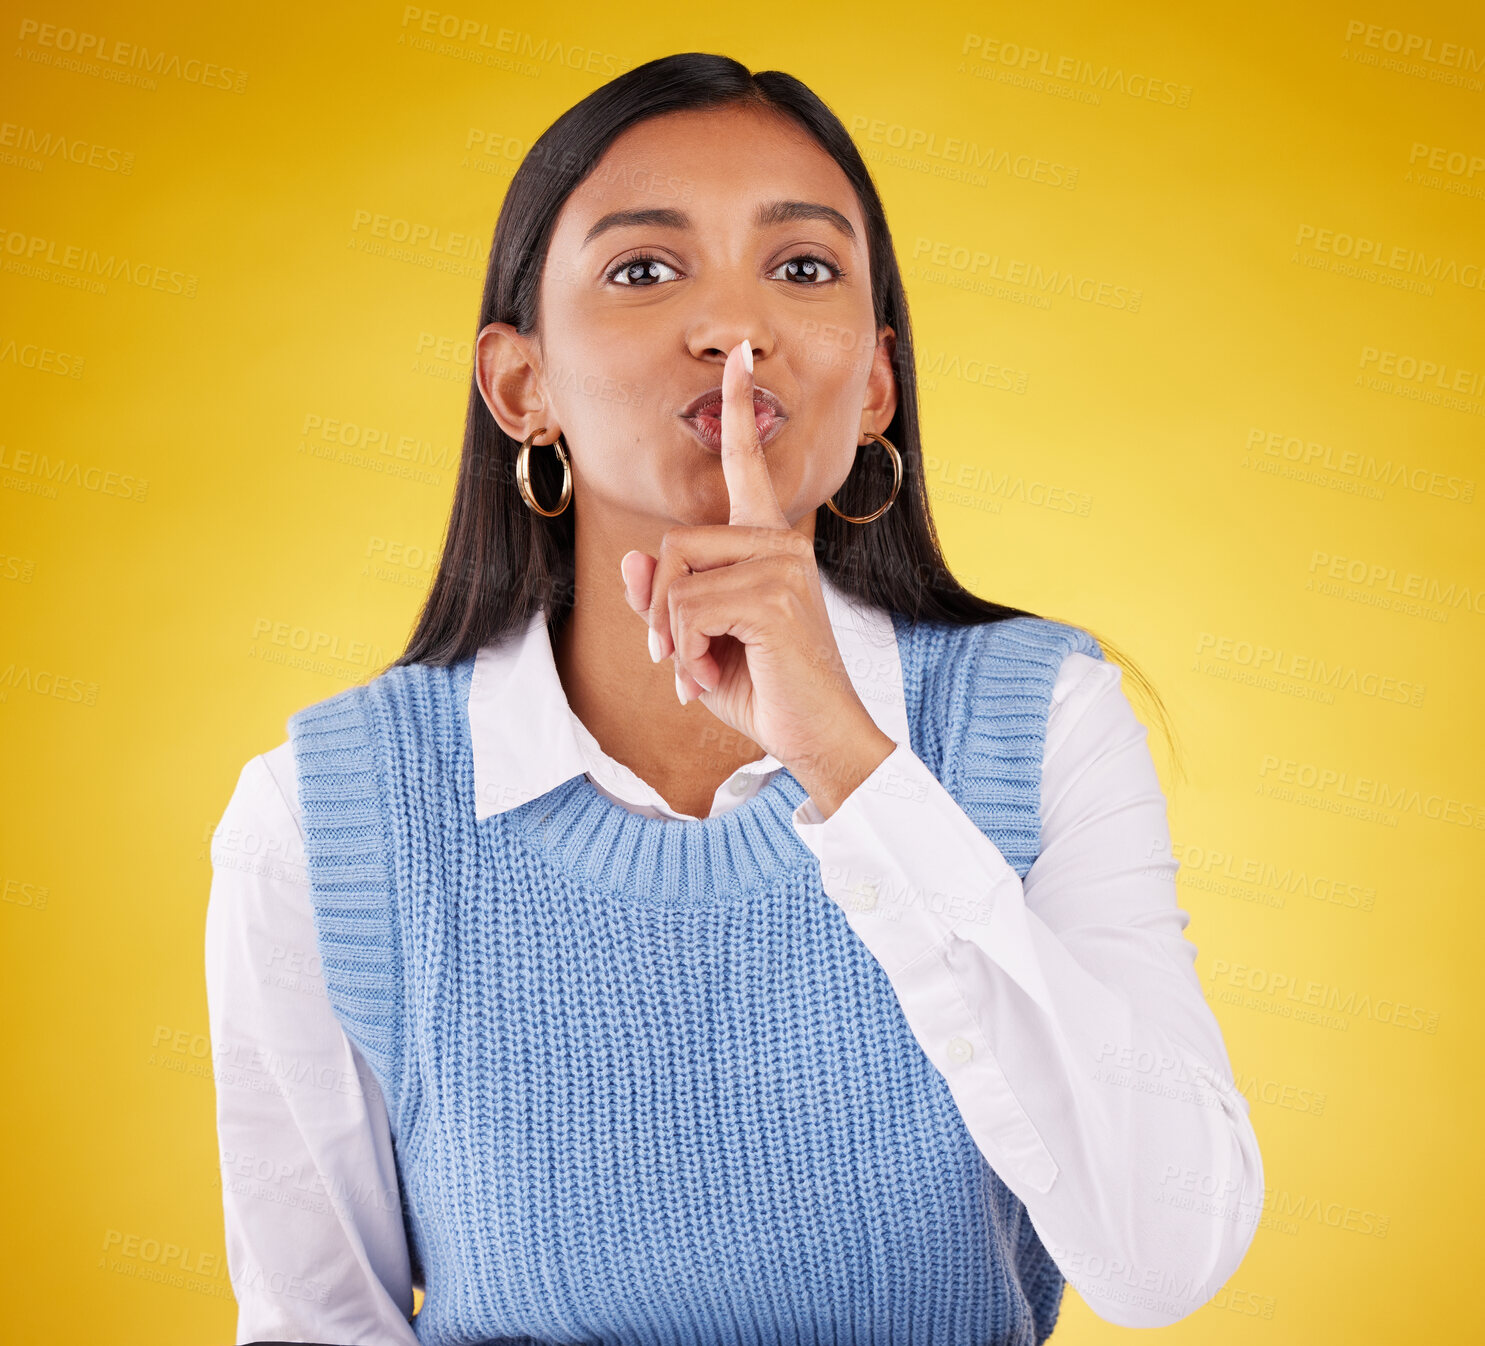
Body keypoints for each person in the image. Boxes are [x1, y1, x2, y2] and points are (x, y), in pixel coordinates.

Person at [205, 51, 1263, 1346]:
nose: (733, 329)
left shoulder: (1040, 721)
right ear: (517, 386)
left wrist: (855, 766)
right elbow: (314, 1322)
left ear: (875, 381)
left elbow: (1168, 1258)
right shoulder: (326, 816)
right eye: (644, 270)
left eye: (802, 267)